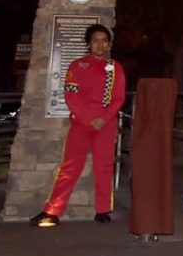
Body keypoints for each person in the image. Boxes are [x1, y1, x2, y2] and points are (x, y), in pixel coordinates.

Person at [33, 24, 126, 227]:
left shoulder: (116, 68)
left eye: (104, 41)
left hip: (106, 124)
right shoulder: (77, 66)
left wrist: (103, 119)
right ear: (88, 44)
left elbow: (119, 98)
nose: (100, 44)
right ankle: (52, 210)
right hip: (81, 123)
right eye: (95, 40)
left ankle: (103, 210)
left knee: (104, 167)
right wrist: (88, 119)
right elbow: (71, 95)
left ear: (109, 44)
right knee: (70, 167)